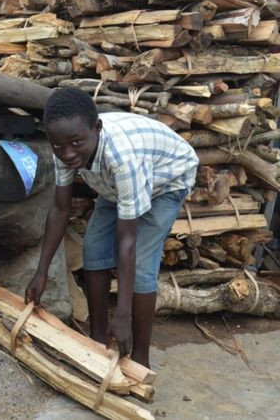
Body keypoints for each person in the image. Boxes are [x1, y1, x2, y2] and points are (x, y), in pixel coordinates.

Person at [24, 87, 199, 367]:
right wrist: (41, 272)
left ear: (97, 128)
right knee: (94, 247)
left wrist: (123, 314)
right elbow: (60, 209)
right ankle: (97, 342)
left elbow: (127, 241)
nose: (67, 153)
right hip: (115, 186)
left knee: (141, 262)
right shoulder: (65, 147)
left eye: (75, 143)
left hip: (166, 181)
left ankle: (140, 358)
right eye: (57, 145)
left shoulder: (122, 157)